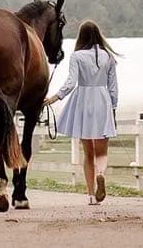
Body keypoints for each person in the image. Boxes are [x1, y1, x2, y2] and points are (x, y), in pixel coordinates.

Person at [43, 20, 119, 204]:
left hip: (84, 101)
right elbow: (113, 88)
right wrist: (113, 109)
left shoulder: (77, 56)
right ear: (98, 35)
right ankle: (101, 174)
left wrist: (54, 98)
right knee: (101, 153)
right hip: (102, 101)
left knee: (88, 153)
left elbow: (71, 83)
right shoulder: (108, 57)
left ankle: (91, 195)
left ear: (81, 36)